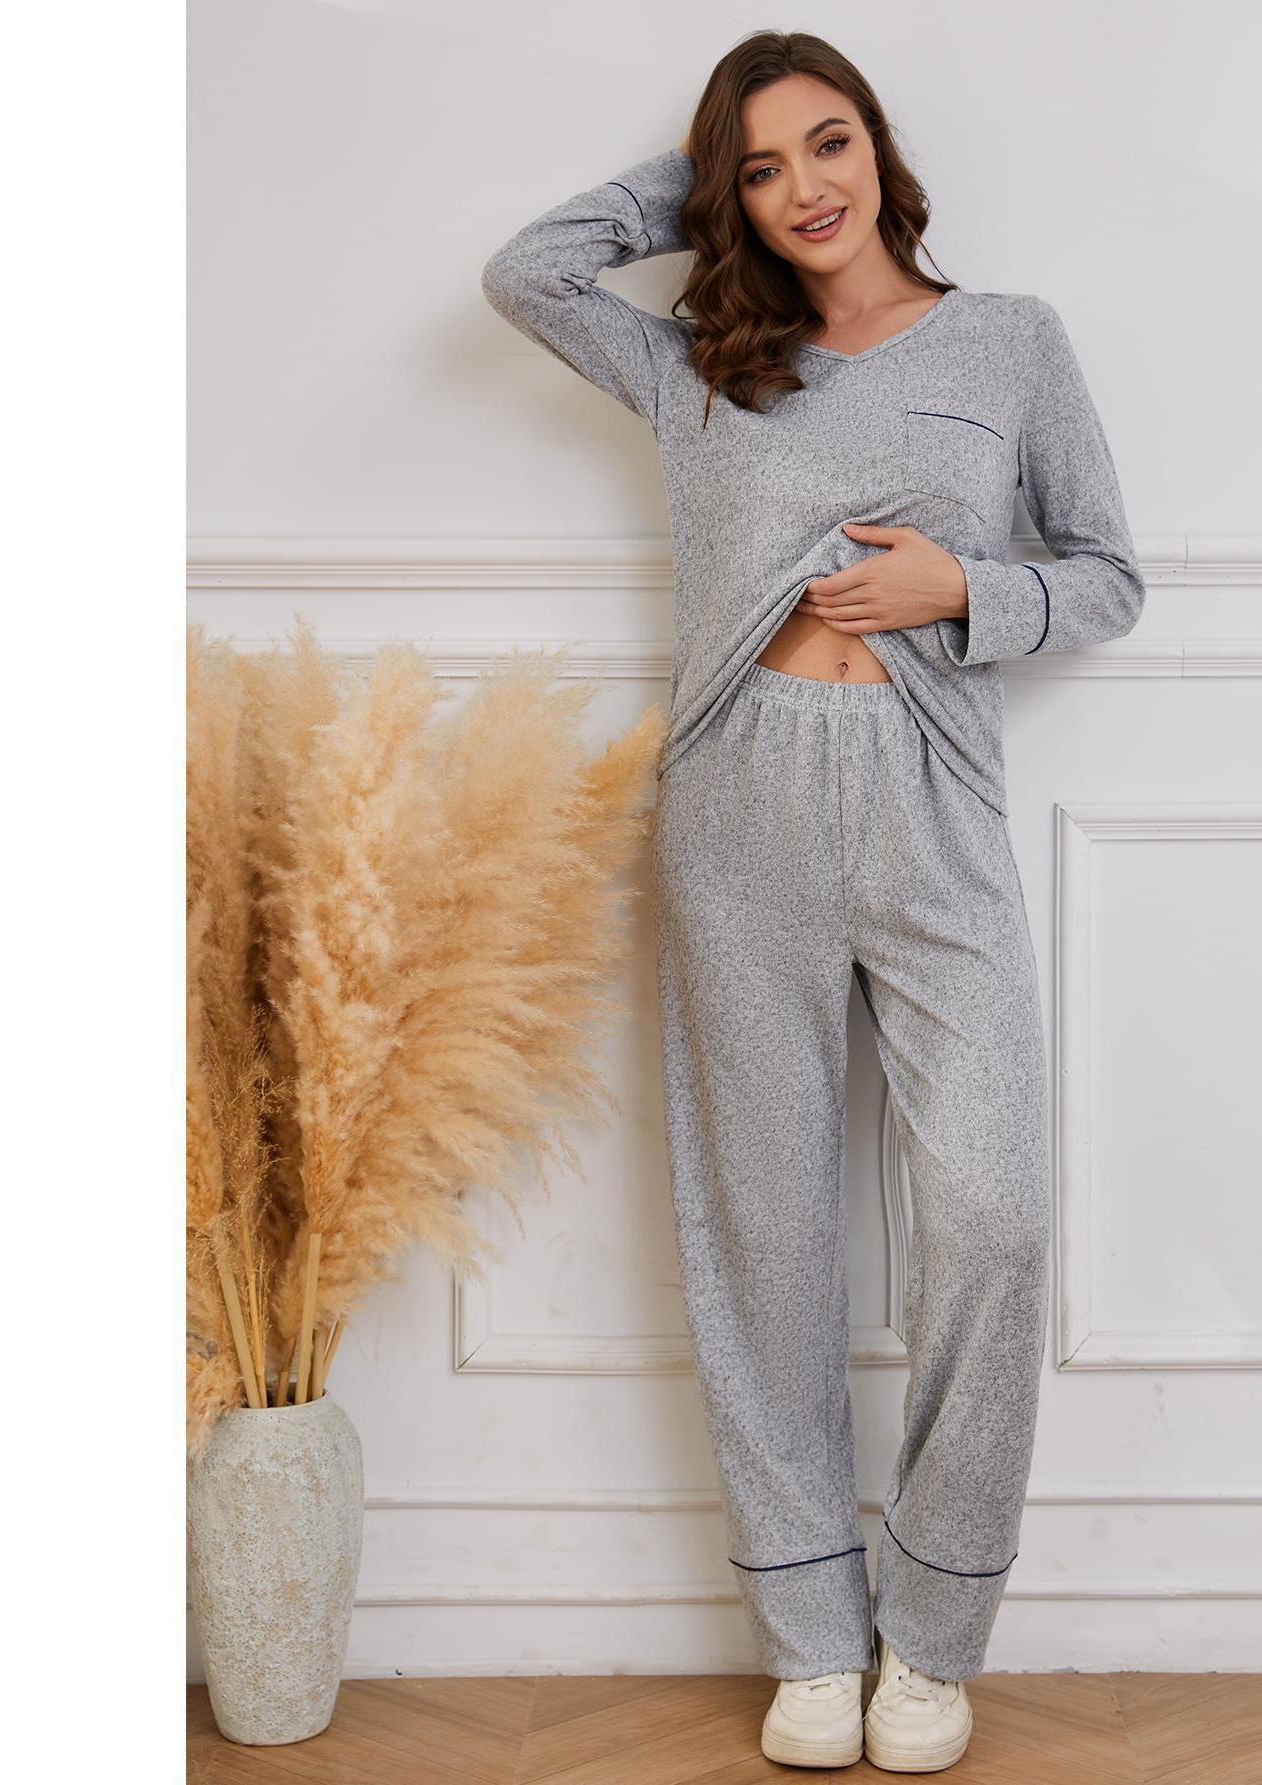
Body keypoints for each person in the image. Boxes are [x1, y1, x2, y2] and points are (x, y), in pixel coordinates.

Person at [481, 28, 1144, 1774]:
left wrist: (963, 588)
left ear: (880, 146)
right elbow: (525, 273)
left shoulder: (1009, 341)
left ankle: (932, 1627)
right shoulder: (697, 363)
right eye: (761, 169)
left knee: (990, 1214)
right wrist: (689, 192)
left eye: (826, 143)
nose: (804, 189)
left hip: (928, 805)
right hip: (739, 809)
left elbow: (1107, 575)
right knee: (761, 1232)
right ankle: (805, 1629)